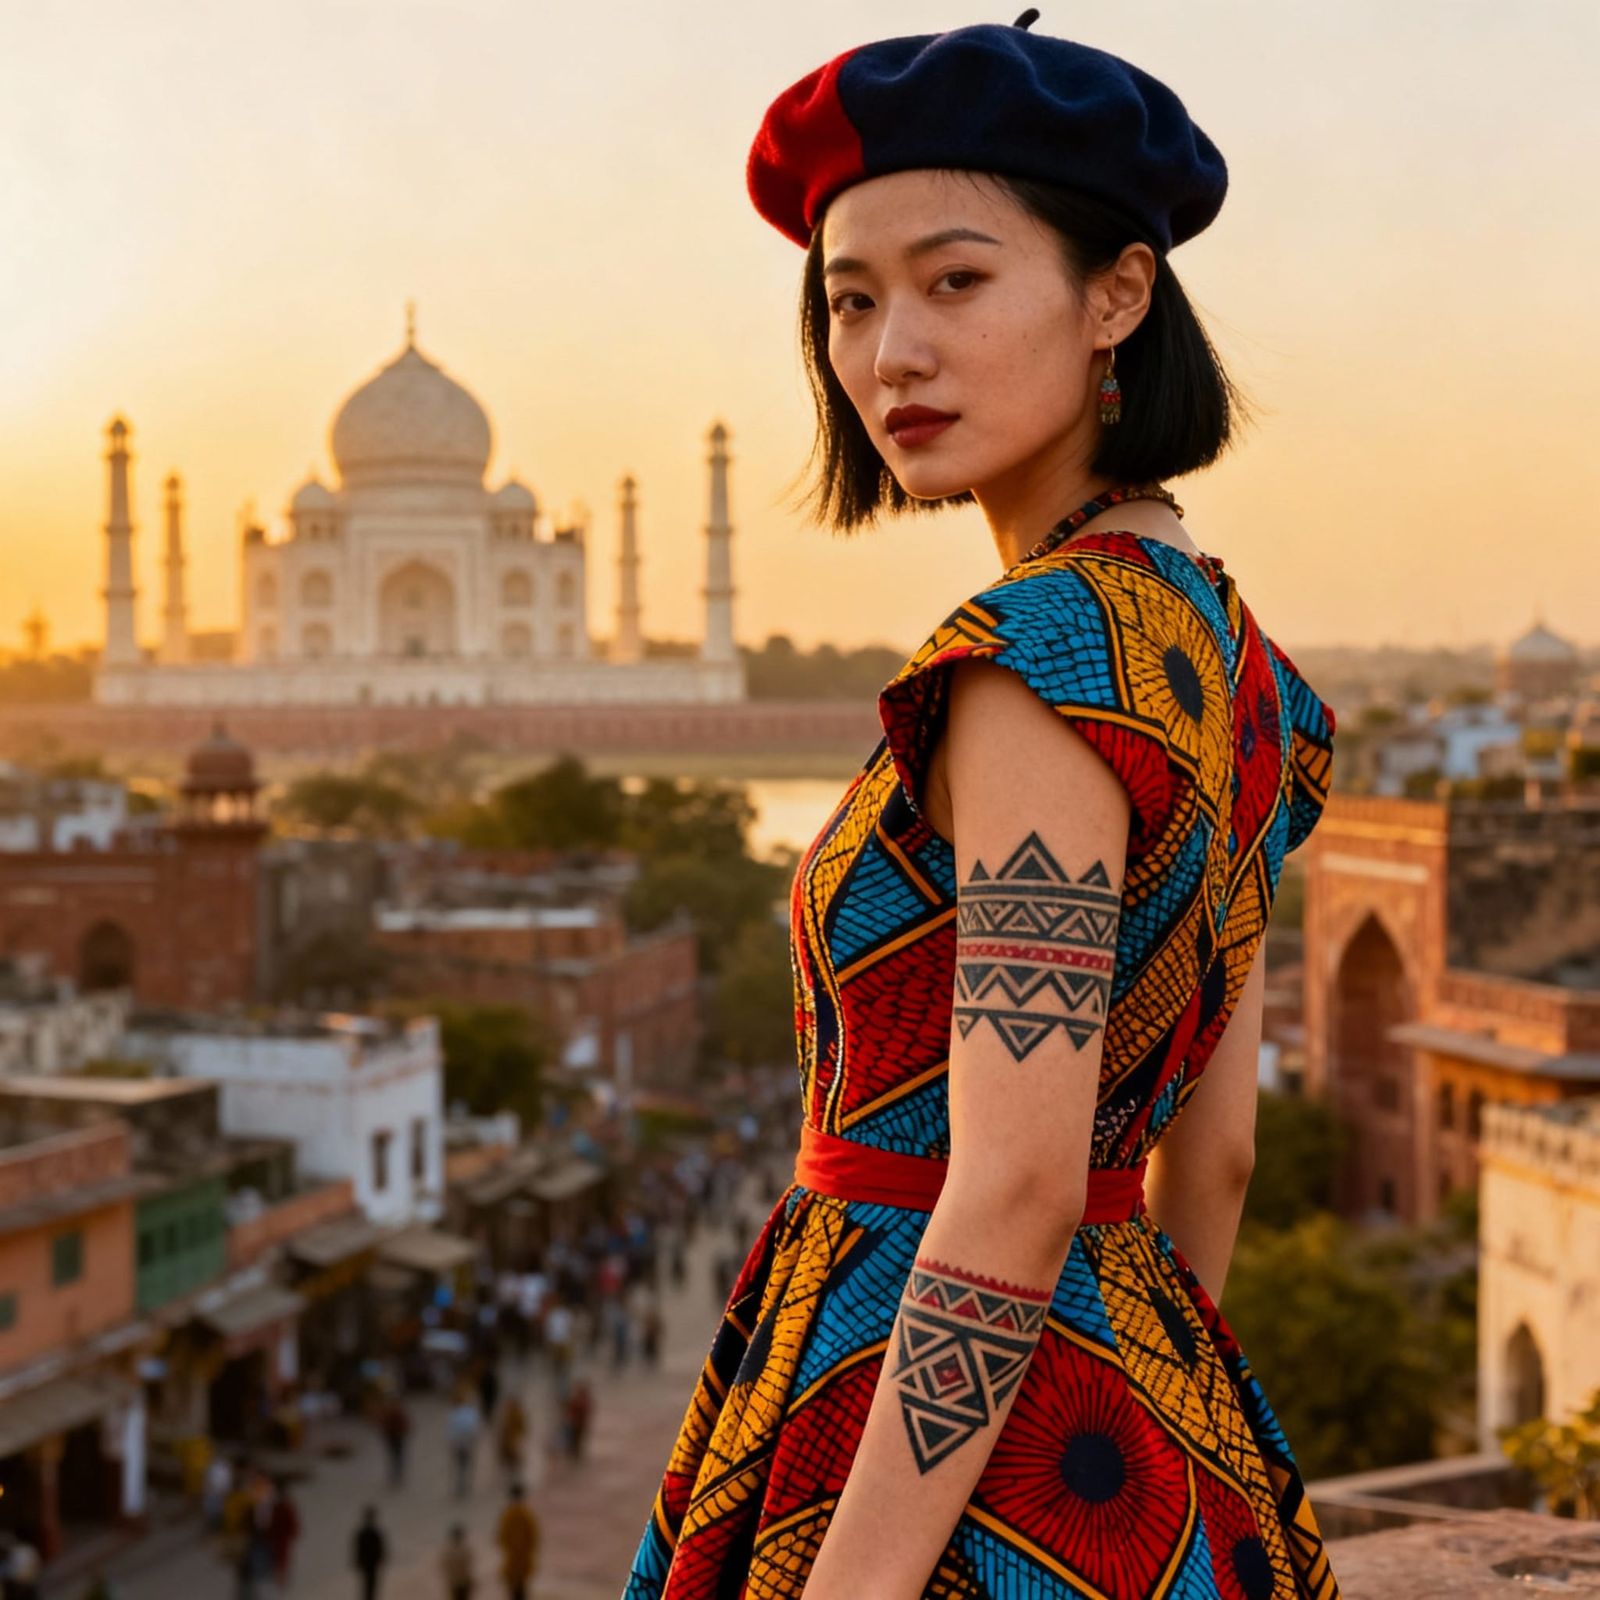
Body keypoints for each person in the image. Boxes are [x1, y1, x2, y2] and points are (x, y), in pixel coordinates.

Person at [622, 15, 1342, 1598]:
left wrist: (860, 1583)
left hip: (903, 1420)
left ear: (1117, 298)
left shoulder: (1035, 658)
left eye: (957, 282)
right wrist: (1151, 1404)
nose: (893, 356)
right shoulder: (1240, 666)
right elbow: (1209, 1155)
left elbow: (1014, 1185)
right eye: (852, 302)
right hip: (1133, 1425)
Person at [494, 1483, 540, 1600]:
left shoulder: (508, 1514)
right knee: (521, 1589)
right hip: (523, 1558)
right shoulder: (526, 1514)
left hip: (513, 1559)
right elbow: (534, 1537)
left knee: (514, 1589)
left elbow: (501, 1537)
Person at [446, 1390, 482, 1499]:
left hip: (458, 1444)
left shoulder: (454, 1413)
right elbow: (475, 1429)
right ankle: (465, 1484)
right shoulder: (471, 1413)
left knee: (459, 1465)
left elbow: (449, 1430)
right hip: (468, 1443)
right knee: (466, 1465)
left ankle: (460, 1484)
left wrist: (451, 1442)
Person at [267, 1481, 301, 1589]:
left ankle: (280, 1580)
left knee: (281, 1559)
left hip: (281, 1538)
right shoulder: (281, 1507)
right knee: (280, 1559)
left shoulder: (281, 1507)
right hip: (279, 1538)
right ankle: (280, 1580)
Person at [352, 1505, 387, 1600]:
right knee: (369, 1585)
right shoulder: (367, 1534)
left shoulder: (370, 1533)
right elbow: (359, 1548)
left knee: (370, 1585)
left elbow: (379, 1548)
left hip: (371, 1564)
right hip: (369, 1564)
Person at [379, 1393, 411, 1488]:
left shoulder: (392, 1411)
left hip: (395, 1436)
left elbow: (405, 1424)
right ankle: (397, 1474)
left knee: (396, 1456)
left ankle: (397, 1474)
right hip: (394, 1436)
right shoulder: (394, 1411)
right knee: (396, 1456)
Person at [496, 1393, 528, 1482]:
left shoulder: (517, 1415)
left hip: (514, 1442)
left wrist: (519, 1441)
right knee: (509, 1464)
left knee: (515, 1464)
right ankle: (511, 1481)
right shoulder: (506, 1415)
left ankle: (515, 1482)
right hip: (507, 1443)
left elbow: (523, 1428)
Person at [439, 1523, 475, 1600]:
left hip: (453, 1582)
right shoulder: (465, 1550)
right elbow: (469, 1564)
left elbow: (443, 1566)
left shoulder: (447, 1551)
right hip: (464, 1581)